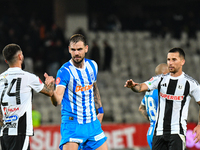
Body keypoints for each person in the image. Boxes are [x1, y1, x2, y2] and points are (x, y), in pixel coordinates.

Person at [124, 47, 200, 150]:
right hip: (158, 132)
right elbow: (141, 87)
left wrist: (199, 125)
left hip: (177, 132)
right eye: (168, 59)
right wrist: (133, 86)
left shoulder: (191, 83)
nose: (170, 63)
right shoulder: (159, 79)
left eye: (174, 59)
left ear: (182, 62)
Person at [50, 34, 108, 150]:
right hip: (72, 124)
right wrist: (51, 91)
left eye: (79, 49)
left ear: (86, 48)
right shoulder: (64, 71)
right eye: (73, 50)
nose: (76, 53)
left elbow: (94, 88)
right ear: (69, 50)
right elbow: (57, 101)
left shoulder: (93, 66)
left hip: (92, 123)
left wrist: (100, 110)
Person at [0, 43, 55, 150]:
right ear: (20, 56)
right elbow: (50, 92)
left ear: (6, 61)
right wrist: (50, 83)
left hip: (4, 133)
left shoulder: (0, 79)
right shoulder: (29, 77)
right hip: (20, 131)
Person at [138, 63, 169, 149]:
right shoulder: (164, 90)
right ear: (165, 74)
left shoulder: (149, 90)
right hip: (163, 133)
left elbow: (141, 108)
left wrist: (153, 120)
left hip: (151, 132)